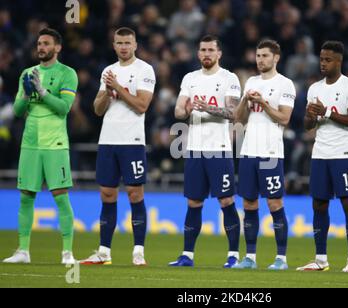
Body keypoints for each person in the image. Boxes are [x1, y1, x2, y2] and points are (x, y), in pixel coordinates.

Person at [80, 27, 155, 266]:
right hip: (108, 140)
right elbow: (98, 109)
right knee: (107, 193)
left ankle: (138, 252)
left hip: (132, 140)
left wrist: (119, 89)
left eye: (127, 42)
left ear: (135, 45)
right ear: (114, 45)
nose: (123, 47)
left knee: (135, 193)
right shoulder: (108, 71)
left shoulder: (144, 70)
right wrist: (107, 92)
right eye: (119, 43)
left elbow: (142, 105)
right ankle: (103, 252)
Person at [3, 28, 78, 265]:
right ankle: (23, 251)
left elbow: (64, 107)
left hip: (55, 144)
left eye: (46, 43)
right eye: (39, 43)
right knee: (26, 196)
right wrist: (26, 94)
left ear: (57, 48)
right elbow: (16, 111)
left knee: (60, 197)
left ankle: (67, 252)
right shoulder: (27, 73)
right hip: (30, 144)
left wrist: (43, 92)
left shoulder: (67, 73)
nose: (41, 48)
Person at [170, 35, 242, 268]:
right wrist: (186, 110)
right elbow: (179, 112)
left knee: (226, 200)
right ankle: (187, 255)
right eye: (203, 50)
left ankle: (233, 256)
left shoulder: (229, 78)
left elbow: (233, 113)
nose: (207, 54)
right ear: (198, 53)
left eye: (211, 49)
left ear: (219, 53)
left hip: (218, 150)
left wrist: (207, 108)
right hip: (194, 149)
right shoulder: (190, 78)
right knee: (193, 202)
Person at [296, 41, 348, 273]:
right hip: (320, 154)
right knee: (319, 204)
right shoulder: (315, 89)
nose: (323, 63)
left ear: (339, 61)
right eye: (322, 59)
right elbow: (307, 126)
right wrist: (310, 115)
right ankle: (321, 259)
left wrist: (327, 112)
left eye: (328, 60)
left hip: (343, 153)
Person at [233, 39, 296, 270]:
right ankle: (250, 257)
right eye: (258, 56)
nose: (260, 60)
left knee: (274, 203)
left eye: (265, 56)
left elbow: (284, 118)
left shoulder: (285, 84)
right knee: (249, 204)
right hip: (248, 151)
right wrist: (245, 101)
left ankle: (281, 259)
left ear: (276, 58)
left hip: (271, 152)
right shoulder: (251, 81)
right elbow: (239, 118)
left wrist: (263, 103)